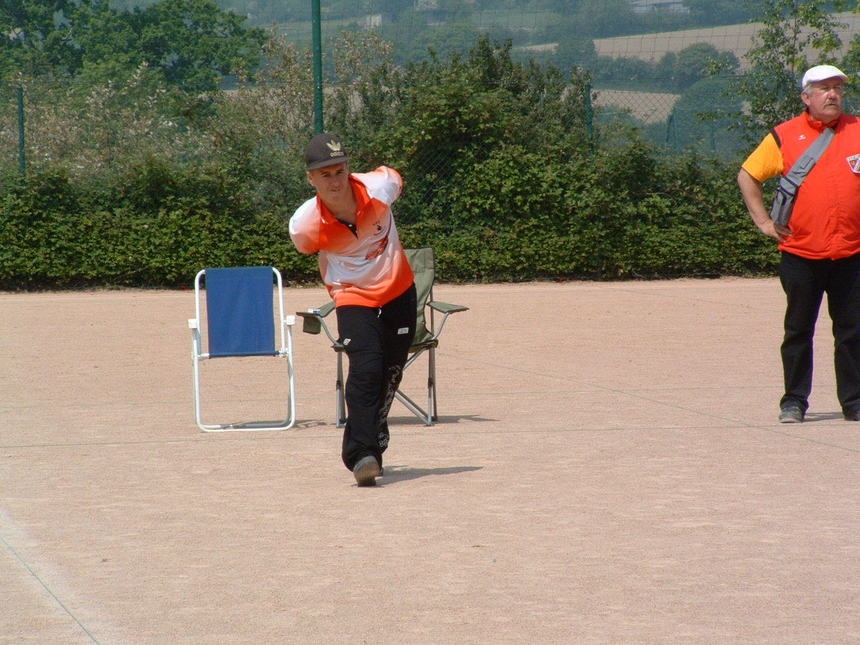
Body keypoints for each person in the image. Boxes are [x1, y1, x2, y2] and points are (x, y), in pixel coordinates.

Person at [289, 132, 417, 485]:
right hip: (352, 296)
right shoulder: (305, 225)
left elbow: (395, 176)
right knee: (366, 367)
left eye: (339, 170)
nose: (334, 180)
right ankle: (362, 455)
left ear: (349, 168)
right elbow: (308, 250)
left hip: (399, 289)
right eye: (324, 174)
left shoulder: (380, 188)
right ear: (310, 178)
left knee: (390, 373)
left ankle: (373, 433)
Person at [737, 64, 860, 424]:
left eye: (837, 88)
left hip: (852, 253)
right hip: (801, 254)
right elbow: (748, 174)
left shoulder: (858, 130)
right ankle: (793, 401)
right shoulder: (784, 135)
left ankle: (854, 402)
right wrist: (763, 221)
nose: (833, 94)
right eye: (824, 88)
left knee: (853, 331)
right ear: (806, 97)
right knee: (798, 331)